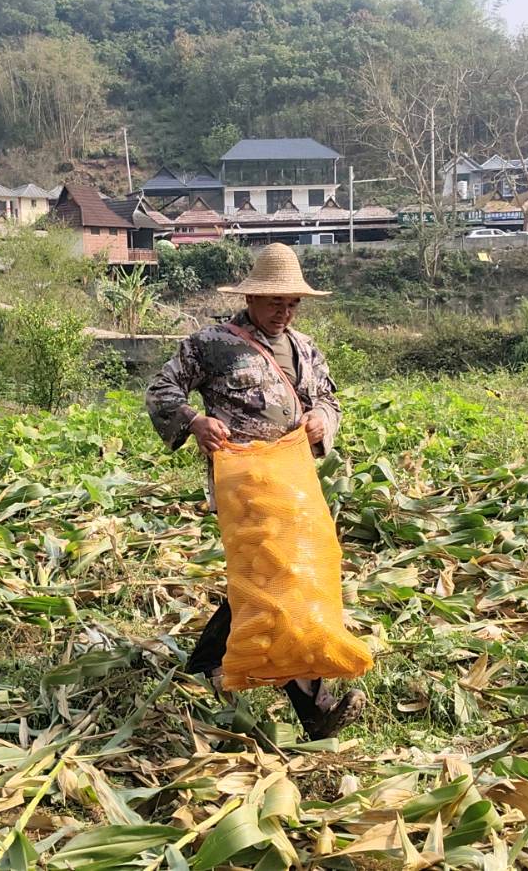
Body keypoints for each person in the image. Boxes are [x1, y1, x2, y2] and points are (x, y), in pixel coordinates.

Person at [146, 243, 365, 740]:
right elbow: (162, 391)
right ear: (251, 298)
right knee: (280, 580)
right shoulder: (210, 344)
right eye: (274, 302)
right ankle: (316, 710)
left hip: (294, 481)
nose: (283, 312)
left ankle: (204, 663)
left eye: (292, 303)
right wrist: (195, 421)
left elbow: (329, 400)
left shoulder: (305, 348)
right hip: (244, 483)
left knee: (261, 575)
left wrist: (321, 419)